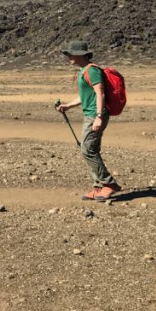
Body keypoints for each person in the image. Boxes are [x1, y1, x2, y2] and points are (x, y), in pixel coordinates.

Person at [55, 40, 122, 201]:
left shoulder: (92, 71)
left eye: (71, 54)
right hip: (91, 114)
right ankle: (98, 187)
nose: (69, 57)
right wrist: (68, 106)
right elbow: (86, 96)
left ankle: (108, 184)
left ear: (81, 55)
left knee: (87, 149)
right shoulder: (83, 71)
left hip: (95, 115)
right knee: (90, 149)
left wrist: (98, 117)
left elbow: (100, 93)